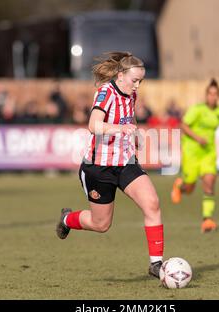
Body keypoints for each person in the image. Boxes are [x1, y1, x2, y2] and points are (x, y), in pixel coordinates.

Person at [55, 52, 165, 278]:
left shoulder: (130, 94)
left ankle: (156, 264)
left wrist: (132, 135)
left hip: (125, 162)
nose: (137, 86)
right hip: (98, 167)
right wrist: (119, 129)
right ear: (121, 75)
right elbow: (93, 125)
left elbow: (128, 119)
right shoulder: (106, 93)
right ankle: (67, 218)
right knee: (101, 224)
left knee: (152, 203)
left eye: (140, 81)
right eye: (134, 80)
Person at [171, 79, 219, 233]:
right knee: (189, 187)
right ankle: (180, 186)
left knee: (209, 183)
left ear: (218, 96)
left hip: (208, 153)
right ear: (206, 95)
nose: (212, 96)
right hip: (192, 152)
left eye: (215, 94)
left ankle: (207, 220)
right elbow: (183, 125)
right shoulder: (197, 109)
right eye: (210, 93)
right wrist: (198, 138)